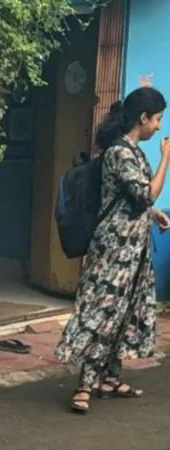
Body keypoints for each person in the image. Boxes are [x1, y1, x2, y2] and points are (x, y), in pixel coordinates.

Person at [55, 86, 170, 413]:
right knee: (102, 312)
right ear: (142, 118)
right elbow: (145, 193)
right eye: (157, 119)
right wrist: (166, 159)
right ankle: (84, 385)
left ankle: (110, 378)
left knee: (125, 313)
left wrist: (154, 214)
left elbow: (132, 199)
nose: (159, 126)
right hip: (114, 251)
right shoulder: (120, 153)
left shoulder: (135, 153)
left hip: (134, 251)